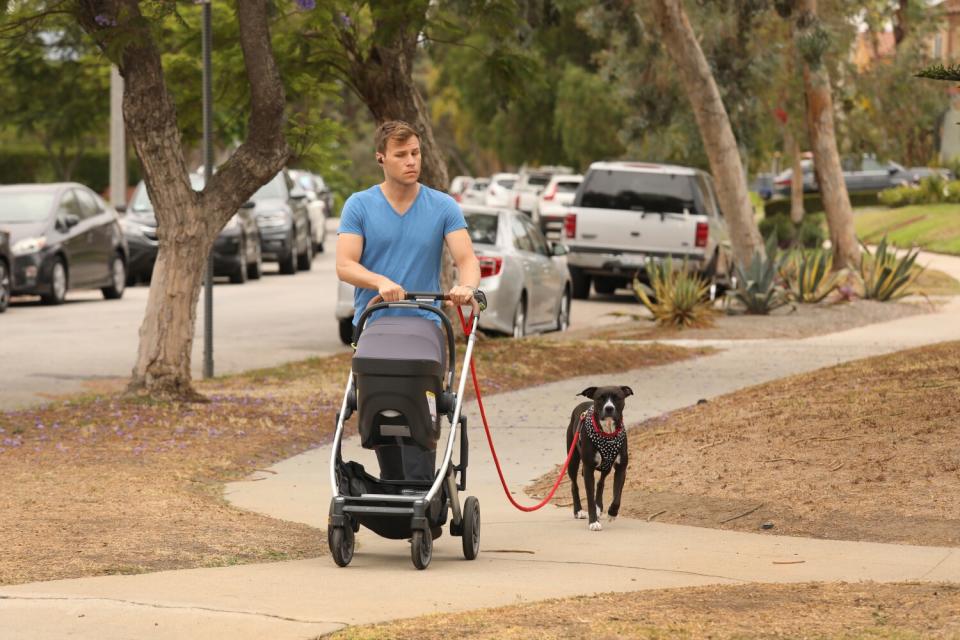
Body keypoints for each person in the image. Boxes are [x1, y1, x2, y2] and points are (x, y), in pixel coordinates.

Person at [336, 120, 480, 328]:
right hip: (373, 325)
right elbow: (344, 265)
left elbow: (467, 260)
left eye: (415, 153)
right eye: (401, 155)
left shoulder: (444, 206)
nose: (411, 161)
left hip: (426, 326)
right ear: (381, 158)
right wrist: (380, 282)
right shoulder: (358, 205)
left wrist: (466, 287)